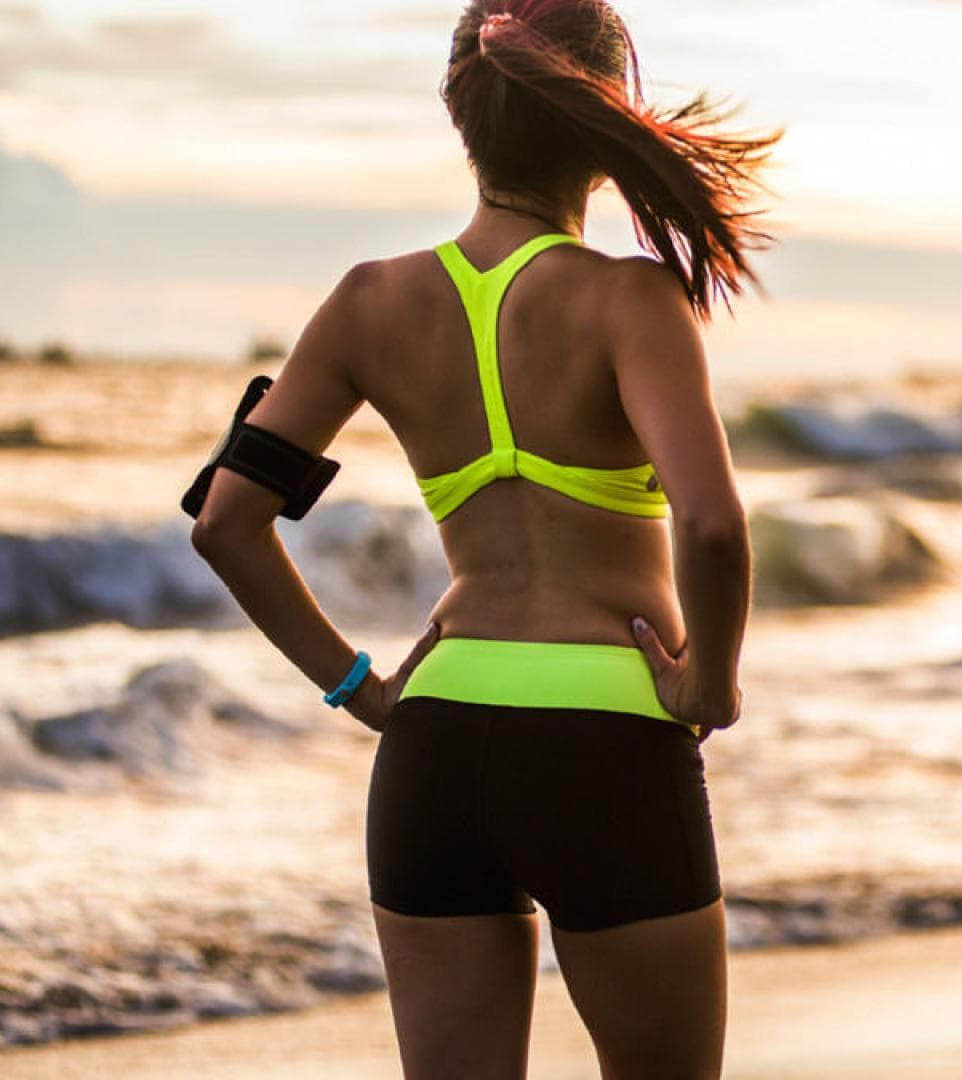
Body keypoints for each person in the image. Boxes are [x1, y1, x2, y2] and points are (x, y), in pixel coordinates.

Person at [188, 1, 778, 1076]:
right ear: (606, 118)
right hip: (608, 747)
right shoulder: (630, 300)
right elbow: (713, 525)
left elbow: (228, 523)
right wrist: (711, 687)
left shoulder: (369, 302)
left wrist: (359, 687)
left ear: (460, 116)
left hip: (435, 749)